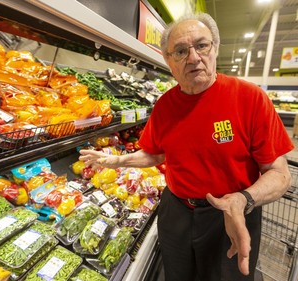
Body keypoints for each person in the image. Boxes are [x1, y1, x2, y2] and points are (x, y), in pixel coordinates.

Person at [79, 12, 294, 281]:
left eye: (202, 46)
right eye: (181, 51)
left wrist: (243, 199)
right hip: (176, 211)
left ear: (215, 48)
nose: (193, 58)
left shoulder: (250, 98)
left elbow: (279, 173)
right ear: (169, 61)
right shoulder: (165, 105)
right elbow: (156, 153)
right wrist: (116, 161)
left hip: (230, 214)